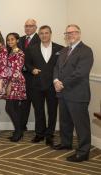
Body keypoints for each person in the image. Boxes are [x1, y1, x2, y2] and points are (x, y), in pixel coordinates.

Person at [53, 24, 94, 162]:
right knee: (65, 121)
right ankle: (66, 143)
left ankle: (83, 152)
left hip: (77, 93)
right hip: (63, 93)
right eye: (67, 33)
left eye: (73, 32)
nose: (70, 35)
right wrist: (55, 80)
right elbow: (57, 68)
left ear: (79, 33)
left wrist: (62, 83)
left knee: (81, 125)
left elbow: (80, 73)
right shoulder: (64, 50)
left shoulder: (86, 51)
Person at [25, 25, 64, 146]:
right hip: (36, 85)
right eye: (41, 33)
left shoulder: (60, 49)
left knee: (52, 111)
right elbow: (27, 63)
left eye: (46, 33)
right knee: (39, 110)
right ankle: (39, 133)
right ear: (39, 34)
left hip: (53, 85)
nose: (44, 35)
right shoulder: (32, 48)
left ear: (50, 34)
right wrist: (32, 70)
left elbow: (62, 66)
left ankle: (49, 135)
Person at [19, 19, 41, 131]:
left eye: (30, 26)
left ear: (35, 27)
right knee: (23, 104)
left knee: (37, 106)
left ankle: (39, 131)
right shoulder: (20, 39)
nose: (28, 28)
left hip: (35, 77)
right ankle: (22, 127)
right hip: (22, 77)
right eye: (26, 26)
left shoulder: (40, 39)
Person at [5, 33, 27, 142]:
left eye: (12, 39)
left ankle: (18, 132)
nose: (10, 42)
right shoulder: (11, 52)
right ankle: (19, 131)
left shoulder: (19, 52)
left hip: (16, 82)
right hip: (11, 81)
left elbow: (17, 70)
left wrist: (9, 85)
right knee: (15, 108)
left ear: (17, 40)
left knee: (9, 108)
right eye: (8, 40)